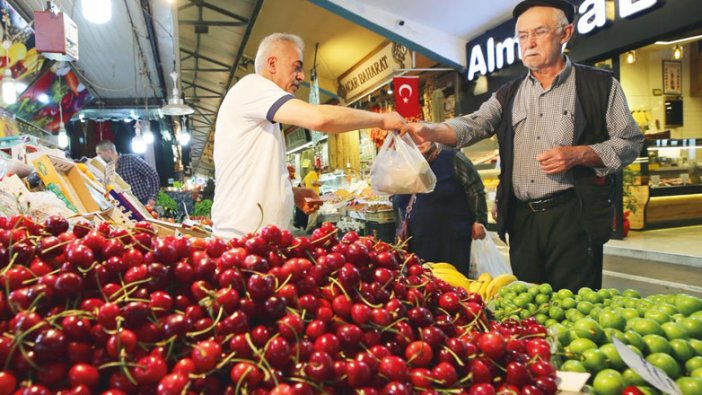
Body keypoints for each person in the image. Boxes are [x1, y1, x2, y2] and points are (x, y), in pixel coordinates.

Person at [407, 0, 644, 291]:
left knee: (574, 303)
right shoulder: (509, 93)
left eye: (539, 33)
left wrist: (581, 154)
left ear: (565, 33)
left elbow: (630, 141)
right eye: (522, 36)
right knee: (527, 301)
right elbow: (475, 123)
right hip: (521, 219)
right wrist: (431, 130)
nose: (528, 43)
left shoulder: (600, 86)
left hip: (573, 214)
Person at [212, 33, 408, 239]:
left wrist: (290, 193)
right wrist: (382, 120)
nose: (301, 77)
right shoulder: (253, 86)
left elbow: (252, 170)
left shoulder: (260, 107)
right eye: (296, 67)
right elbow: (320, 118)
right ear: (272, 64)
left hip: (256, 239)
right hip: (242, 239)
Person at [394, 141, 487, 277]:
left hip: (451, 240)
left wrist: (480, 220)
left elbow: (475, 188)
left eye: (423, 137)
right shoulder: (405, 165)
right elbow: (398, 201)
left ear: (432, 138)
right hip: (418, 241)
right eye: (412, 139)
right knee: (423, 282)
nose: (418, 142)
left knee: (454, 282)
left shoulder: (453, 158)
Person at [95, 140, 160, 210]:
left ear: (109, 152)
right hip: (125, 207)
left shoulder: (131, 159)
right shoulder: (108, 169)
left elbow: (153, 175)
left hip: (143, 202)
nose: (98, 157)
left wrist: (152, 198)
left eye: (99, 153)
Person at [302, 164, 323, 231]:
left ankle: (310, 226)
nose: (319, 174)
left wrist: (305, 190)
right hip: (314, 195)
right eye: (319, 172)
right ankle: (311, 227)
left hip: (309, 195)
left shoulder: (308, 174)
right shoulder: (314, 174)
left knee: (312, 210)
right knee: (314, 211)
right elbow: (313, 182)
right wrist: (320, 184)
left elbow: (302, 183)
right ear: (318, 171)